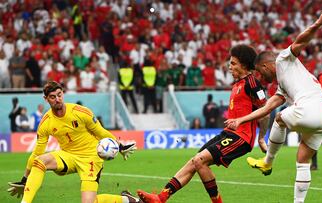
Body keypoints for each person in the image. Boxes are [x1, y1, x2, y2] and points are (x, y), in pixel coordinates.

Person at [225, 9, 322, 203]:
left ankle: (267, 162)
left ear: (265, 66)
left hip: (309, 109)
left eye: (259, 72)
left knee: (279, 118)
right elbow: (266, 108)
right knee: (302, 161)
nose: (261, 77)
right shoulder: (283, 86)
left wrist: (318, 23)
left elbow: (301, 41)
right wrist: (240, 120)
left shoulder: (283, 59)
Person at [137, 44, 269, 203]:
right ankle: (161, 197)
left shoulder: (252, 83)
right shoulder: (237, 84)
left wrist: (261, 138)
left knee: (200, 161)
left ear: (244, 65)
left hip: (242, 137)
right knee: (194, 161)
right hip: (228, 133)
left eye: (233, 63)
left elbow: (265, 110)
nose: (229, 66)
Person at [7, 81, 139, 203]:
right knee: (40, 161)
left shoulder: (80, 112)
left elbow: (100, 132)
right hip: (68, 156)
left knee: (90, 202)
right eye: (53, 97)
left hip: (91, 158)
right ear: (46, 99)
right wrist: (25, 179)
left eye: (59, 95)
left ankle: (126, 200)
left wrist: (120, 146)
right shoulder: (46, 122)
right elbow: (37, 153)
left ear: (63, 93)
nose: (57, 99)